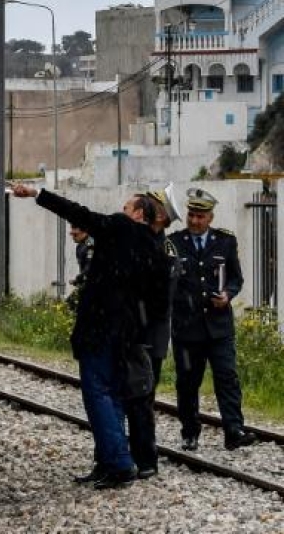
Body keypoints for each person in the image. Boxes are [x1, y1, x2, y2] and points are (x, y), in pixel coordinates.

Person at [11, 184, 168, 490]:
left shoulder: (122, 227)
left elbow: (79, 214)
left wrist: (37, 194)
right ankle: (109, 462)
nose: (120, 212)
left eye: (125, 207)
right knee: (116, 396)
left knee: (97, 393)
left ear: (138, 213)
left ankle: (120, 464)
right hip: (128, 333)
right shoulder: (156, 249)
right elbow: (159, 303)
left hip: (100, 327)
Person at [169, 189, 256, 452]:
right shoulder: (173, 243)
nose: (194, 221)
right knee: (187, 381)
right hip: (187, 327)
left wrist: (228, 294)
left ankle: (233, 429)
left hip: (219, 326)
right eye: (191, 215)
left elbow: (236, 278)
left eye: (200, 216)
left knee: (227, 376)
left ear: (210, 217)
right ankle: (190, 432)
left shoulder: (224, 242)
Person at [122, 190, 178, 480]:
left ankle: (145, 458)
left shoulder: (163, 250)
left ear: (160, 216)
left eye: (152, 206)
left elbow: (159, 301)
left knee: (142, 398)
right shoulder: (137, 242)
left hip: (147, 336)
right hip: (132, 333)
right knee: (129, 397)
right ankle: (131, 453)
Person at [66, 224, 94, 312]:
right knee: (70, 305)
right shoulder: (80, 246)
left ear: (84, 232)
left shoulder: (91, 246)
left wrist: (78, 278)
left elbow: (90, 267)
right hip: (86, 285)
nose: (72, 236)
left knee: (70, 305)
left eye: (75, 234)